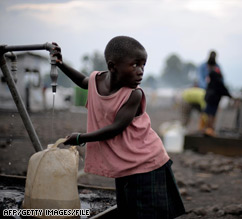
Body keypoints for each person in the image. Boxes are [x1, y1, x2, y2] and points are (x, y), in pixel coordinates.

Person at [52, 36, 185, 219]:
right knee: (127, 212)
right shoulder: (97, 81)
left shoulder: (134, 95)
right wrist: (60, 64)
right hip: (123, 164)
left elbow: (116, 128)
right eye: (135, 65)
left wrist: (80, 138)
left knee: (147, 214)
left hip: (146, 163)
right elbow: (83, 81)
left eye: (143, 65)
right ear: (113, 66)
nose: (141, 71)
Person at [203, 68, 232, 136]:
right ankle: (209, 129)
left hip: (209, 99)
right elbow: (223, 90)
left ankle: (207, 128)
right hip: (214, 101)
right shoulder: (218, 81)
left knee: (209, 115)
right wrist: (230, 96)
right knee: (212, 115)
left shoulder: (211, 81)